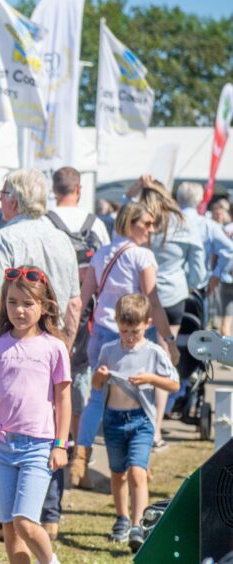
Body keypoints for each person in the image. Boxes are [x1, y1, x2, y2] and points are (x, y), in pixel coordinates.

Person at [0, 169, 81, 541]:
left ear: (13, 200)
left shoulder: (3, 237)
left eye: (2, 194)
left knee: (17, 425)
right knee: (50, 430)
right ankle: (46, 517)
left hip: (13, 346)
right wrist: (64, 344)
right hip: (55, 344)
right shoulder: (62, 238)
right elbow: (76, 302)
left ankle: (16, 518)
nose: (0, 201)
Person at [0, 265, 71, 564]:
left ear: (44, 306)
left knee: (26, 522)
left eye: (28, 304)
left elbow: (63, 400)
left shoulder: (53, 348)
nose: (19, 310)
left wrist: (61, 444)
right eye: (12, 302)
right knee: (10, 527)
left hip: (37, 447)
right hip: (1, 448)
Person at [71, 202, 178, 490]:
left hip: (101, 333)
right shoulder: (142, 256)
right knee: (140, 396)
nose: (151, 229)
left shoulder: (102, 253)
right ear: (130, 223)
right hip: (132, 335)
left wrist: (69, 335)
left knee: (96, 398)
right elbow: (153, 302)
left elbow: (83, 298)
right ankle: (139, 459)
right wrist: (168, 340)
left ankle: (81, 457)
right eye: (147, 223)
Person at [93, 293, 178, 553]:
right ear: (117, 324)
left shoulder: (153, 352)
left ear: (148, 324)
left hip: (141, 419)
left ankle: (138, 524)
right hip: (114, 419)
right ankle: (121, 518)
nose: (129, 337)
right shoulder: (109, 350)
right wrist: (100, 376)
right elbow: (97, 386)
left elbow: (173, 384)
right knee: (117, 473)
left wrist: (151, 378)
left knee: (137, 473)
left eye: (135, 331)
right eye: (124, 330)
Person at [131, 177, 205, 447]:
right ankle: (157, 428)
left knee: (135, 357)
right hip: (172, 293)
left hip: (139, 293)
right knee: (162, 361)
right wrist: (194, 283)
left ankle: (136, 421)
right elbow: (197, 264)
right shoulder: (182, 222)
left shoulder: (137, 218)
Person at [46, 167, 110, 460]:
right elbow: (105, 264)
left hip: (48, 309)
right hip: (85, 312)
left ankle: (54, 438)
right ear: (79, 189)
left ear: (53, 188)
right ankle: (78, 448)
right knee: (80, 376)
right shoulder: (94, 224)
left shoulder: (45, 221)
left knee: (49, 377)